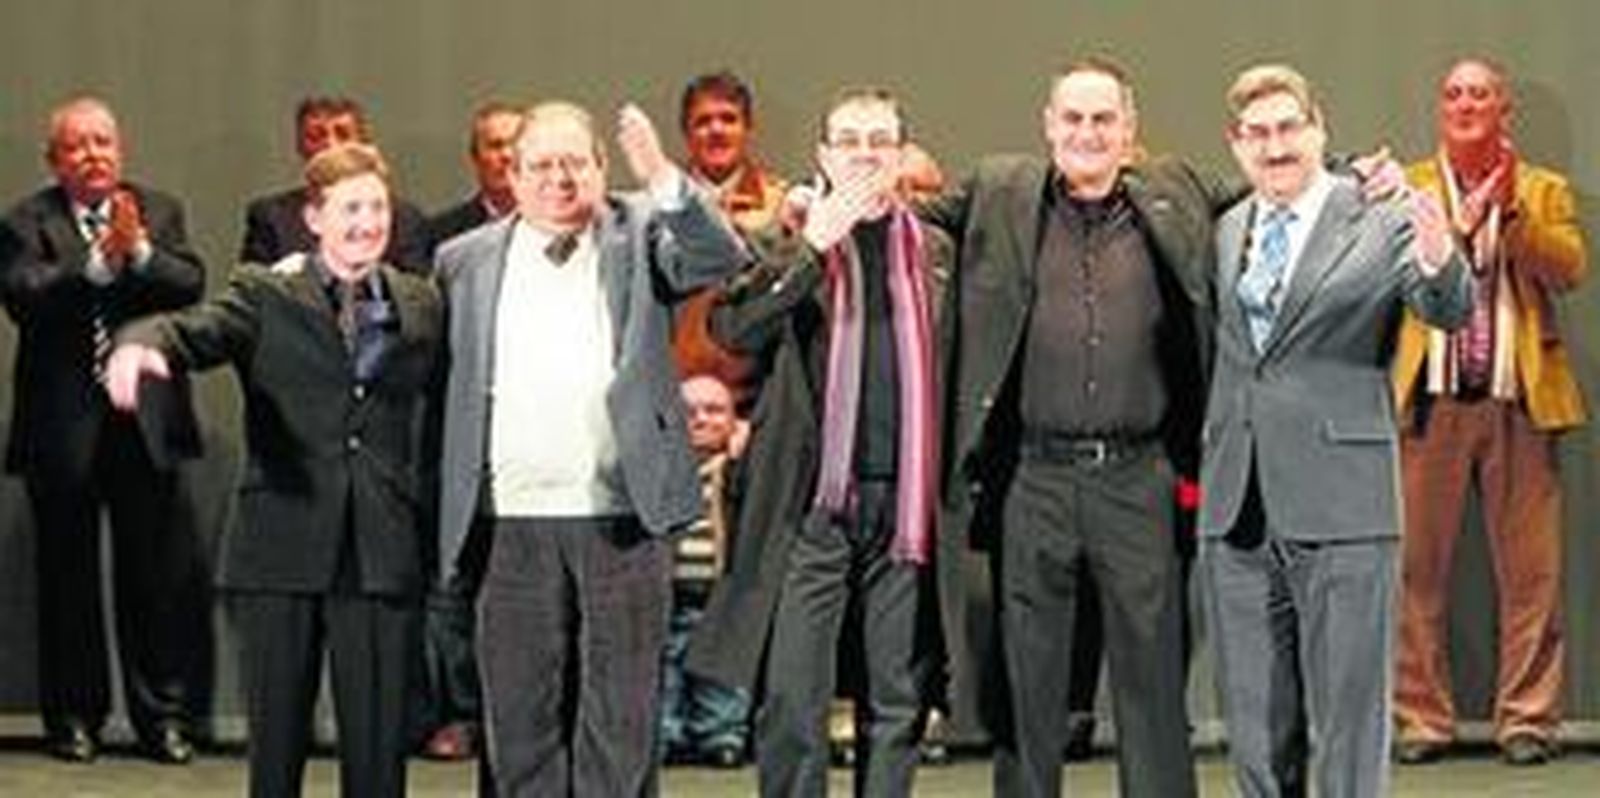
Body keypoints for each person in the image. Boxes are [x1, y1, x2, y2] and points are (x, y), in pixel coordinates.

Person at [922, 59, 1221, 798]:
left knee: (1153, 684)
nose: (1088, 132)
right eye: (1075, 118)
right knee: (1029, 688)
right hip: (1033, 479)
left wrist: (1352, 172)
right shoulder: (999, 190)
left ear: (1130, 129)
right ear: (1049, 125)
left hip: (1138, 478)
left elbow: (1272, 185)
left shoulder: (1176, 191)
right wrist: (817, 197)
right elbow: (911, 213)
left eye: (1104, 119)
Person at [106, 141, 443, 798]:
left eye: (377, 208)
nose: (367, 223)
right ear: (314, 217)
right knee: (277, 750)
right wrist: (140, 344)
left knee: (379, 753)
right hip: (280, 541)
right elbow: (197, 329)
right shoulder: (264, 293)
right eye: (350, 208)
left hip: (380, 548)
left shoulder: (422, 301)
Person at [433, 100, 745, 797]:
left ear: (602, 169)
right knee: (519, 720)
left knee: (621, 718)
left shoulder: (639, 232)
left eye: (575, 162)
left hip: (622, 518)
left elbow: (720, 256)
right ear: (512, 176)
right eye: (541, 164)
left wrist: (661, 175)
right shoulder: (462, 260)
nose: (559, 178)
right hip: (507, 522)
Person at [1199, 63, 1469, 798]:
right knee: (1256, 729)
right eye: (1257, 133)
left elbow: (1446, 307)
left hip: (1345, 507)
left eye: (1289, 127)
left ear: (1318, 129)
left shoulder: (1378, 215)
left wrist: (1440, 255)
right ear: (1236, 144)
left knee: (1349, 723)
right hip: (1238, 509)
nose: (1275, 146)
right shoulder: (1229, 227)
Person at [690, 87, 952, 798]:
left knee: (897, 700)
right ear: (823, 156)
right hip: (812, 508)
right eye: (849, 141)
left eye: (879, 141)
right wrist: (812, 247)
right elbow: (732, 330)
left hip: (907, 509)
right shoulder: (789, 242)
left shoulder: (936, 253)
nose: (864, 154)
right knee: (792, 699)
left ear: (901, 156)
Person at [1391, 57, 1589, 767]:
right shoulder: (1409, 186)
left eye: (1480, 93)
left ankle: (1528, 719)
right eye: (1453, 94)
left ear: (1504, 109)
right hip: (1430, 401)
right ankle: (1422, 720)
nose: (1465, 104)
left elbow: (1569, 268)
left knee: (1532, 576)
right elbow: (1389, 274)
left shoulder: (1542, 188)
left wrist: (1510, 214)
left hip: (1519, 402)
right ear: (1440, 109)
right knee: (1414, 570)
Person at [0, 96, 209, 765]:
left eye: (103, 142)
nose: (94, 154)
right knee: (67, 580)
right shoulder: (26, 220)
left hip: (143, 422)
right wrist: (93, 263)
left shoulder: (158, 209)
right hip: (62, 427)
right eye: (78, 145)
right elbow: (23, 295)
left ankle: (162, 720)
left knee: (154, 578)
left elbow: (190, 284)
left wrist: (137, 250)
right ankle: (74, 719)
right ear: (54, 159)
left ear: (120, 149)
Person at [410, 99, 524, 763]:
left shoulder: (573, 232)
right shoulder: (443, 239)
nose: (504, 156)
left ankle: (518, 717)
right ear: (475, 157)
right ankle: (462, 712)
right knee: (453, 588)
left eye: (514, 144)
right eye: (492, 146)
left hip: (537, 442)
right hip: (459, 435)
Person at [672, 70, 788, 408]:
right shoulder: (658, 209)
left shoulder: (781, 205)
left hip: (760, 396)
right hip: (674, 396)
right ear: (686, 133)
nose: (717, 130)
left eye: (728, 119)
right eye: (703, 121)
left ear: (748, 129)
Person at [659, 373, 751, 768]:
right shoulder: (664, 469)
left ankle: (721, 732)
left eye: (714, 411)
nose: (700, 419)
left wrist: (744, 445)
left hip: (721, 589)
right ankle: (667, 731)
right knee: (667, 662)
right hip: (672, 587)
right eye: (689, 412)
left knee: (723, 667)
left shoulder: (736, 468)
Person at [240, 96, 432, 271]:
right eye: (316, 136)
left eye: (343, 134)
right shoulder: (271, 217)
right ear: (299, 145)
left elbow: (413, 291)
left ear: (362, 142)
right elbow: (252, 290)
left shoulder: (403, 219)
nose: (330, 145)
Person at [427, 101, 524, 249]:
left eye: (515, 145)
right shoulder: (442, 234)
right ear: (475, 157)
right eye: (495, 145)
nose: (507, 155)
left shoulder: (554, 226)